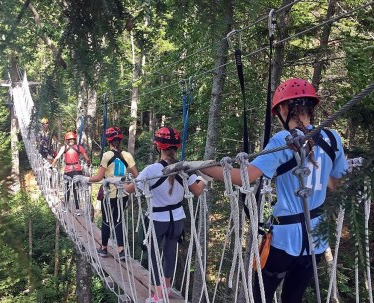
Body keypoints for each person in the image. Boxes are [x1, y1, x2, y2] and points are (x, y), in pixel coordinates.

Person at [189, 78, 348, 303]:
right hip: (317, 240)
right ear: (310, 108)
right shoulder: (332, 139)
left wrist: (202, 166)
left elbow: (244, 177)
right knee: (293, 298)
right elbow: (338, 184)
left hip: (284, 240)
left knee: (259, 294)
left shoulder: (283, 140)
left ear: (284, 109)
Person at [124, 127, 207, 303]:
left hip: (157, 220)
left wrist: (124, 184)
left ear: (158, 147)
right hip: (177, 219)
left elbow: (130, 189)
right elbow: (198, 191)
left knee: (153, 255)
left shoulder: (151, 170)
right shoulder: (184, 168)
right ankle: (166, 289)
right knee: (170, 252)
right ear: (176, 148)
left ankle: (158, 296)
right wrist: (203, 180)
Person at [88, 126, 139, 260]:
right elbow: (137, 175)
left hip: (109, 193)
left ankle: (104, 248)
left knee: (106, 221)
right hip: (123, 193)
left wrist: (86, 179)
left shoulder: (106, 155)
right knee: (118, 220)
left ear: (109, 141)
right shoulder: (127, 155)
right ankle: (121, 250)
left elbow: (99, 178)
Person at [52, 131, 91, 212]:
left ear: (67, 140)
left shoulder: (64, 148)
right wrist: (88, 164)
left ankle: (66, 207)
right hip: (77, 170)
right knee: (76, 189)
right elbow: (87, 159)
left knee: (67, 189)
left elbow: (57, 157)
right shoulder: (79, 148)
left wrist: (52, 166)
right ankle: (77, 209)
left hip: (68, 171)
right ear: (74, 139)